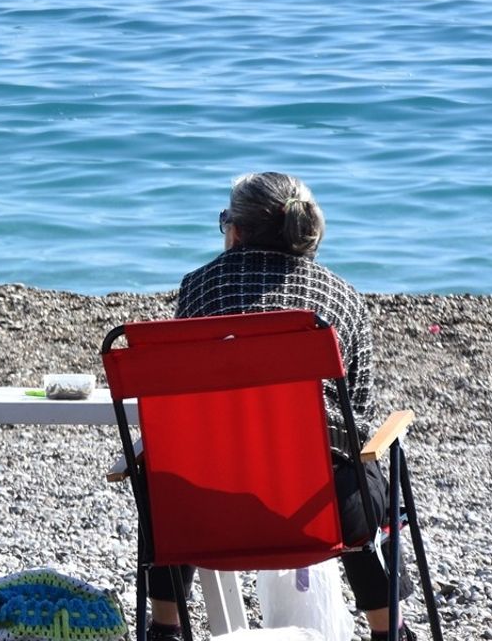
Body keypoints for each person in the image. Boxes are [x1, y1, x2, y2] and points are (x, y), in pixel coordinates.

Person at [147, 172, 413, 641]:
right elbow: (361, 412)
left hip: (208, 506)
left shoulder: (198, 288)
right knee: (362, 462)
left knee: (163, 472)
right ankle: (388, 631)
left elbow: (185, 397)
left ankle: (164, 627)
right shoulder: (341, 296)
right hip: (316, 510)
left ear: (238, 230)